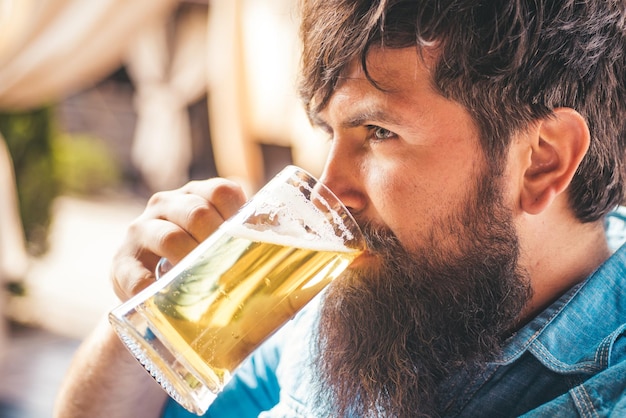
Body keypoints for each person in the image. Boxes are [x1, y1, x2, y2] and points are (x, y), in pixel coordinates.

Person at [55, 0, 626, 416]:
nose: (330, 190)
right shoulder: (367, 300)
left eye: (378, 131)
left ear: (542, 161)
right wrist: (139, 328)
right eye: (329, 131)